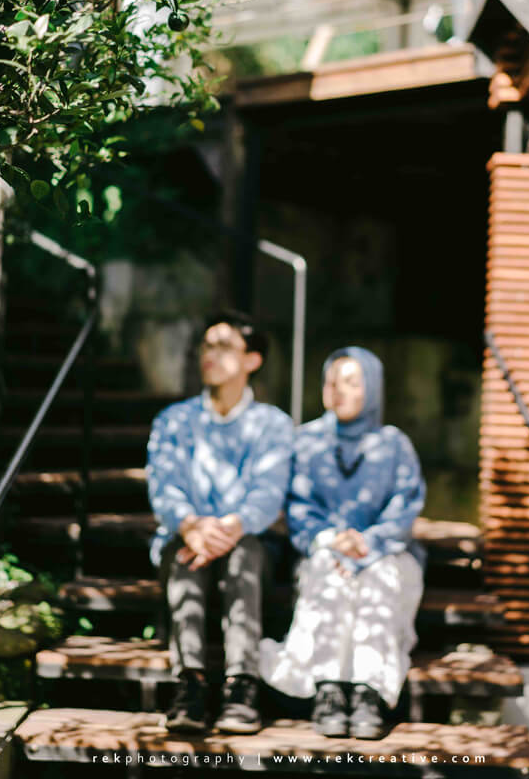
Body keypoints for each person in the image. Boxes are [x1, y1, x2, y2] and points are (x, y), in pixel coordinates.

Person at [259, 346, 425, 740]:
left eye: (351, 382)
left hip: (385, 551)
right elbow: (298, 506)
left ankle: (368, 691)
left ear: (373, 388)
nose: (338, 390)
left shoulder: (394, 444)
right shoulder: (307, 440)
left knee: (380, 576)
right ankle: (329, 688)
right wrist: (332, 540)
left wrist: (367, 543)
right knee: (327, 571)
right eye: (331, 381)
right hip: (327, 551)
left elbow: (405, 506)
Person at [146, 310, 293, 734]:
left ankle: (241, 687)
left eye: (224, 346)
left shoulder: (273, 424)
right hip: (186, 538)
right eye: (207, 345)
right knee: (184, 556)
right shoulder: (173, 420)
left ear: (253, 360)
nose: (210, 354)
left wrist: (226, 530)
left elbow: (268, 495)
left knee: (244, 554)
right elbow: (163, 487)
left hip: (248, 542)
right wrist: (190, 526)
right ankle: (189, 685)